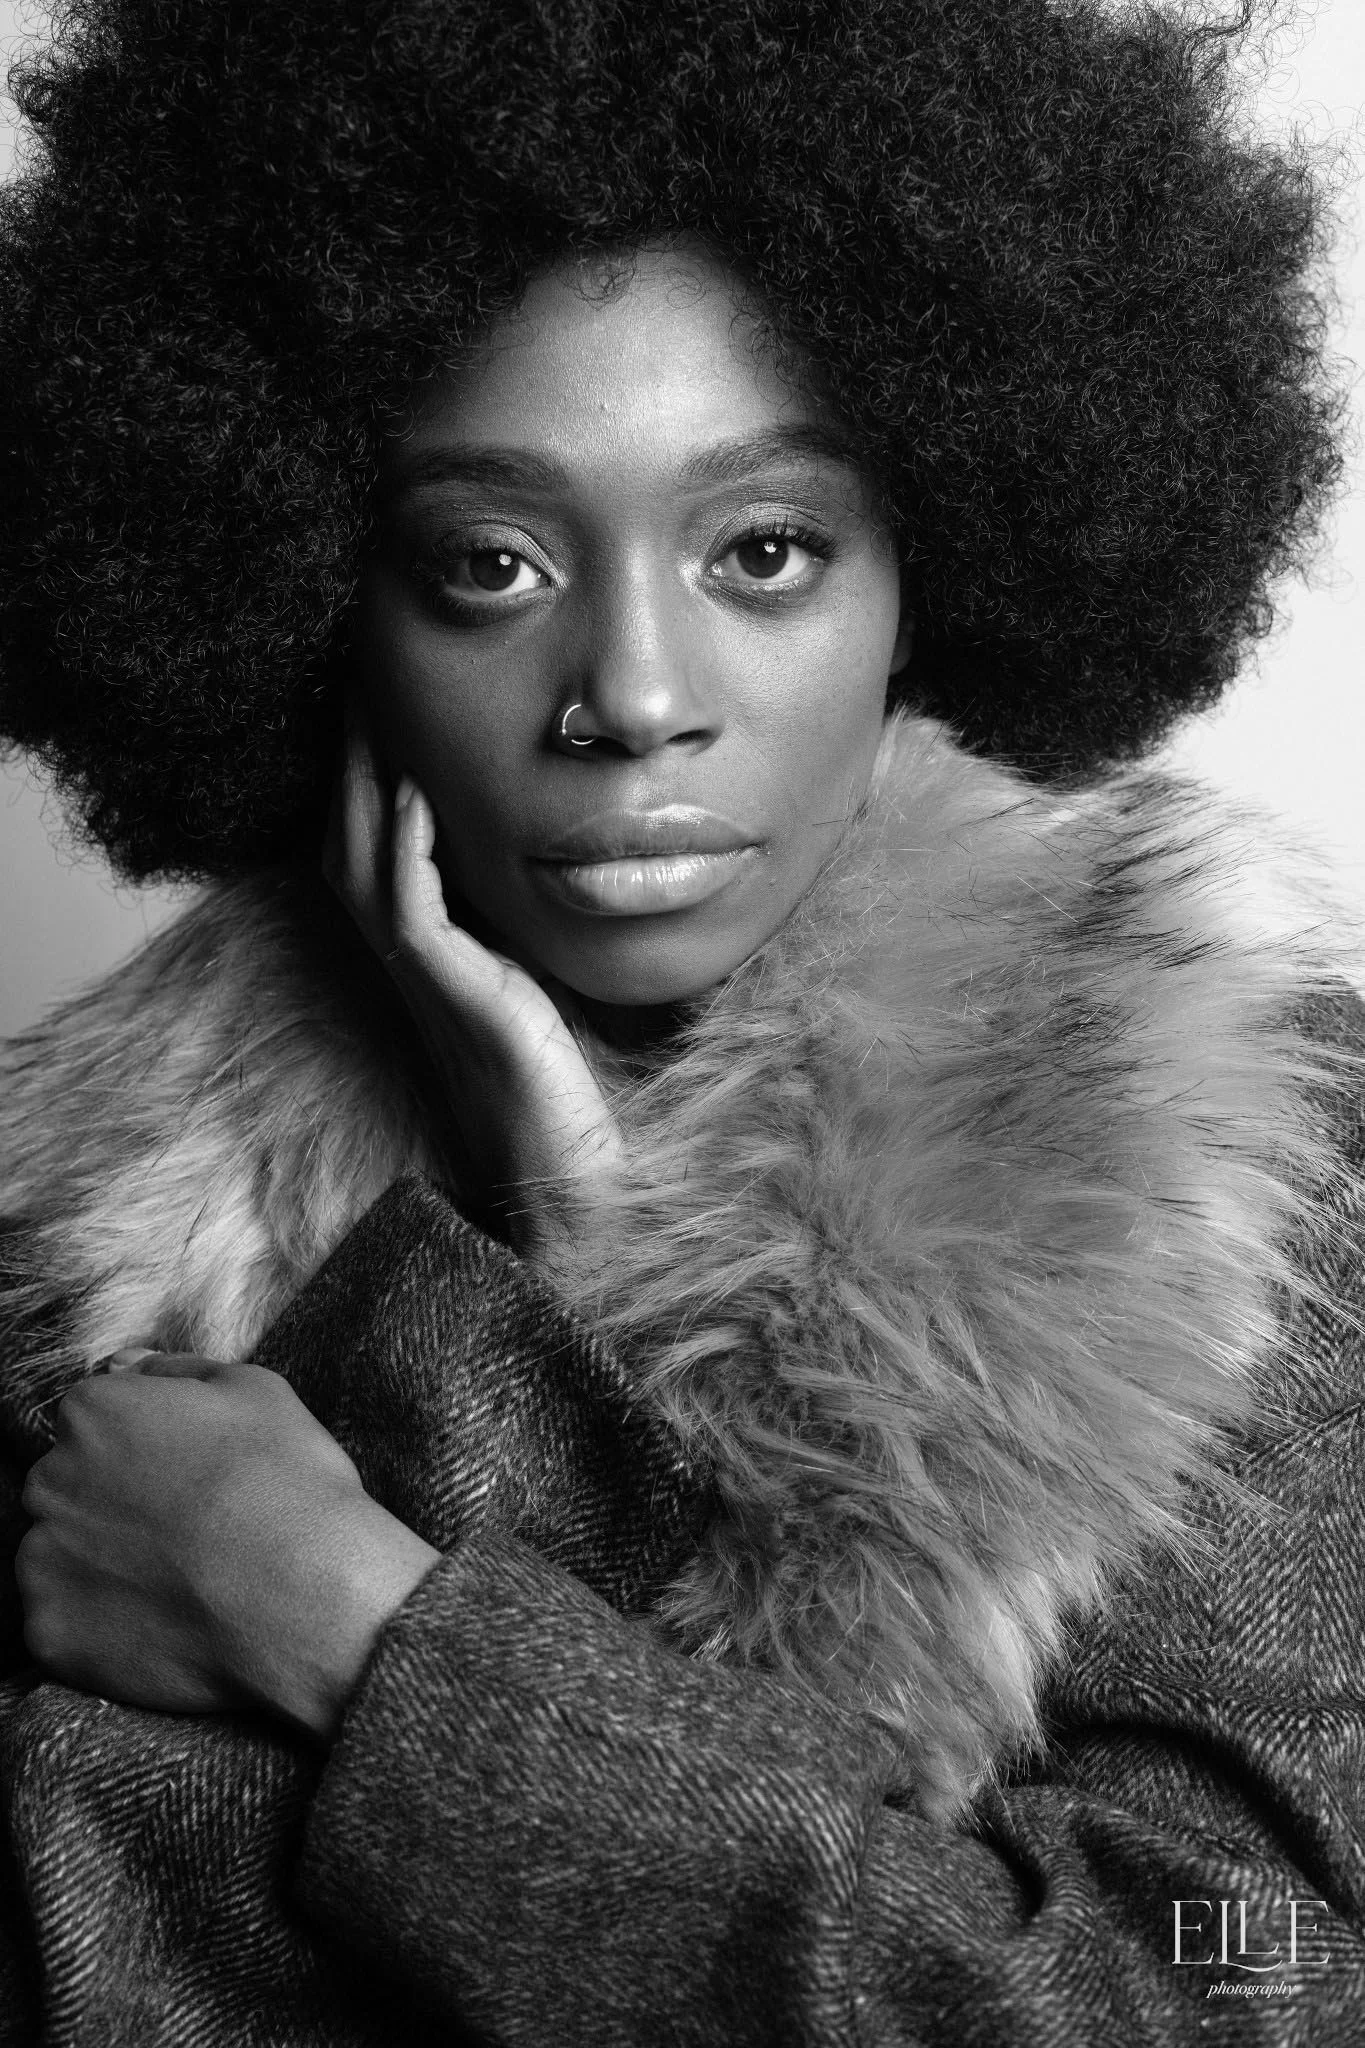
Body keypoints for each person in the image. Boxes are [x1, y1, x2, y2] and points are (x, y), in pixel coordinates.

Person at [1, 0, 1363, 2040]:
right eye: (489, 562)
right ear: (316, 599)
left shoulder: (1206, 1139)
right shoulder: (101, 1216)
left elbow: (1256, 1972)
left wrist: (374, 1641)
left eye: (761, 551)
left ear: (923, 577)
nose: (632, 689)